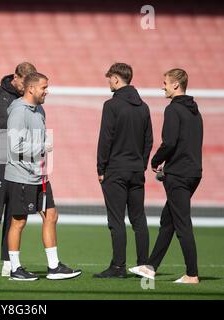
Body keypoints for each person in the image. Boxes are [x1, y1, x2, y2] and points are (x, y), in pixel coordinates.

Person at [4, 72, 82, 281]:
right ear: (31, 89)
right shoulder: (18, 112)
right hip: (20, 176)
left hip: (39, 176)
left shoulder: (39, 109)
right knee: (18, 222)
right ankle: (15, 269)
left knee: (51, 215)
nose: (47, 91)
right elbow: (14, 146)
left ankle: (54, 267)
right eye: (44, 87)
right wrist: (42, 146)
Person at [129, 69, 203, 284]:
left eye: (165, 83)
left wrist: (154, 160)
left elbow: (169, 142)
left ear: (176, 85)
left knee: (182, 224)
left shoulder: (173, 110)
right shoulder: (194, 111)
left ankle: (192, 274)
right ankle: (150, 267)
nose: (163, 86)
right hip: (193, 173)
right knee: (168, 221)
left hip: (179, 175)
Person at [0, 62, 37, 277]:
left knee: (14, 215)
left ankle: (7, 263)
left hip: (20, 164)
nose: (28, 88)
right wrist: (9, 122)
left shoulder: (29, 100)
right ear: (16, 77)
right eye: (25, 82)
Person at [94, 63, 153, 278]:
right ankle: (144, 266)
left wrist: (101, 167)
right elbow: (149, 140)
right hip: (137, 170)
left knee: (116, 220)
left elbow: (105, 139)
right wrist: (142, 164)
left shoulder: (112, 106)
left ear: (117, 79)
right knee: (139, 220)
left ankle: (118, 267)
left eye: (110, 78)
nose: (109, 81)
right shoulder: (144, 107)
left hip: (116, 170)